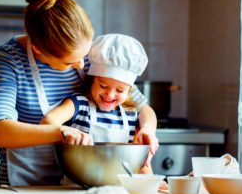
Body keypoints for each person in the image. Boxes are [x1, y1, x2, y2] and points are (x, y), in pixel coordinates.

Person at [0, 0, 158, 186]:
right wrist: (60, 132)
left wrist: (147, 130)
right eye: (71, 62)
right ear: (38, 49)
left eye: (85, 55)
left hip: (80, 188)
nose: (82, 65)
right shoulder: (11, 59)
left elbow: (142, 108)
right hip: (24, 188)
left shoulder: (94, 56)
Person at [41, 34, 156, 173]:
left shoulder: (131, 114)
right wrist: (65, 132)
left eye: (120, 90)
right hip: (76, 187)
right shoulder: (79, 104)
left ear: (130, 91)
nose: (110, 94)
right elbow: (48, 121)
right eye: (103, 86)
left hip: (119, 188)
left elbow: (140, 163)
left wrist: (150, 181)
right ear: (92, 81)